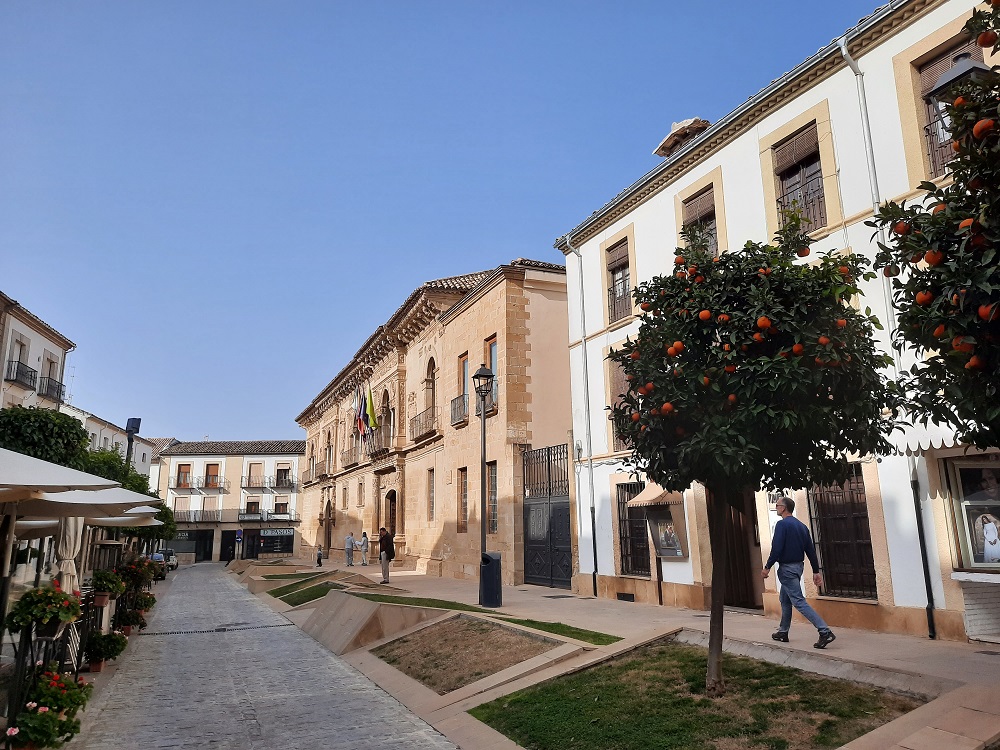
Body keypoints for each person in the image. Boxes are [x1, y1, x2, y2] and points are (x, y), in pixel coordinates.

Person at [762, 496, 836, 649]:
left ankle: (825, 631)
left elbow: (777, 548)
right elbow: (810, 550)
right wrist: (816, 571)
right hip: (798, 568)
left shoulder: (782, 525)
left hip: (787, 569)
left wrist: (767, 567)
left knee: (798, 601)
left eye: (777, 505)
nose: (776, 508)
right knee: (785, 599)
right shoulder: (802, 526)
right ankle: (782, 632)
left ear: (783, 508)